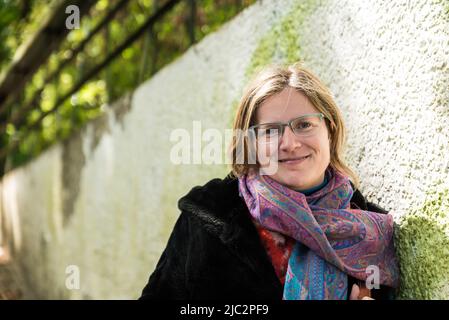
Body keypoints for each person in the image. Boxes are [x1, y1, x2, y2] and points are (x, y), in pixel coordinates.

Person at [139, 63, 399, 300]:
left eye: (304, 124)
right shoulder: (210, 214)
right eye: (271, 131)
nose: (290, 143)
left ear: (329, 130)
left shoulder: (370, 234)